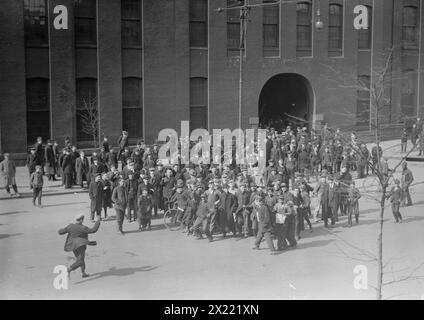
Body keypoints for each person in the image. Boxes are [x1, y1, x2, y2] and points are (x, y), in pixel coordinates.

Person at [58, 214, 101, 279]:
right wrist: (98, 221)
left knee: (80, 259)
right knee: (80, 260)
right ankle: (69, 269)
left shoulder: (70, 226)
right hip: (80, 245)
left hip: (73, 245)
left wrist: (60, 230)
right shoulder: (83, 228)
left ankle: (83, 273)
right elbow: (93, 230)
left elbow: (61, 232)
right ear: (81, 220)